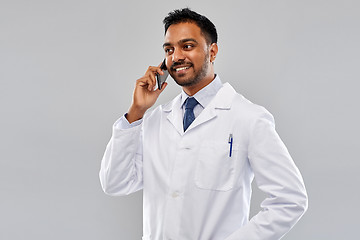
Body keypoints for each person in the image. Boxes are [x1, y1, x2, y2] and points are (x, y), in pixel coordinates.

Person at [99, 8, 308, 240]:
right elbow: (114, 183)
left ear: (213, 51)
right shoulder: (154, 119)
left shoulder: (249, 118)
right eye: (169, 50)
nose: (176, 57)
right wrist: (136, 112)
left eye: (187, 46)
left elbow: (290, 200)